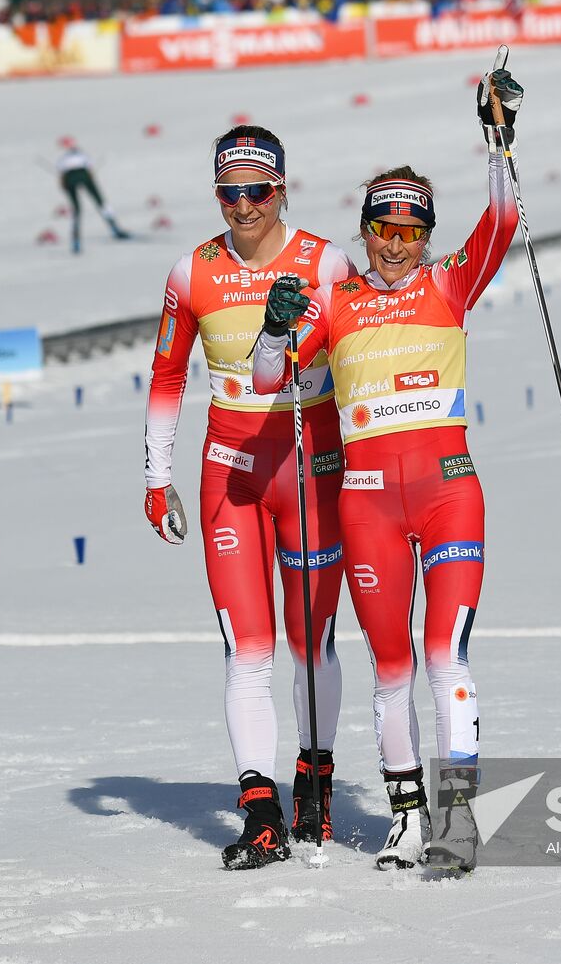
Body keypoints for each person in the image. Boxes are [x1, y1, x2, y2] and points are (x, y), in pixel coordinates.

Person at [253, 69, 523, 872]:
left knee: (448, 656)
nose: (398, 247)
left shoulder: (447, 283)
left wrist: (498, 138)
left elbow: (504, 221)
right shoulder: (335, 301)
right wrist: (274, 328)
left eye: (412, 232)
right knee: (392, 667)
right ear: (366, 231)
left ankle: (458, 820)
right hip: (366, 503)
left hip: (448, 494)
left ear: (428, 235)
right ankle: (407, 819)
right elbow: (272, 379)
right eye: (384, 231)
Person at [142, 125, 358, 870]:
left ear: (282, 190)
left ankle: (315, 774)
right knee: (246, 649)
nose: (243, 206)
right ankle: (259, 807)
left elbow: (359, 360)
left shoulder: (326, 261)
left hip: (312, 463)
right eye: (229, 192)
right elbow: (168, 375)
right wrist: (154, 472)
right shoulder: (191, 272)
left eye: (256, 191)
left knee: (312, 643)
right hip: (229, 471)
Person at [56, 141, 131, 253]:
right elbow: (90, 170)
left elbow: (61, 176)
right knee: (100, 202)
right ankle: (115, 229)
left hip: (69, 177)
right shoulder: (83, 155)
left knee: (76, 210)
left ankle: (76, 241)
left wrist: (65, 185)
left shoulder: (63, 159)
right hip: (83, 174)